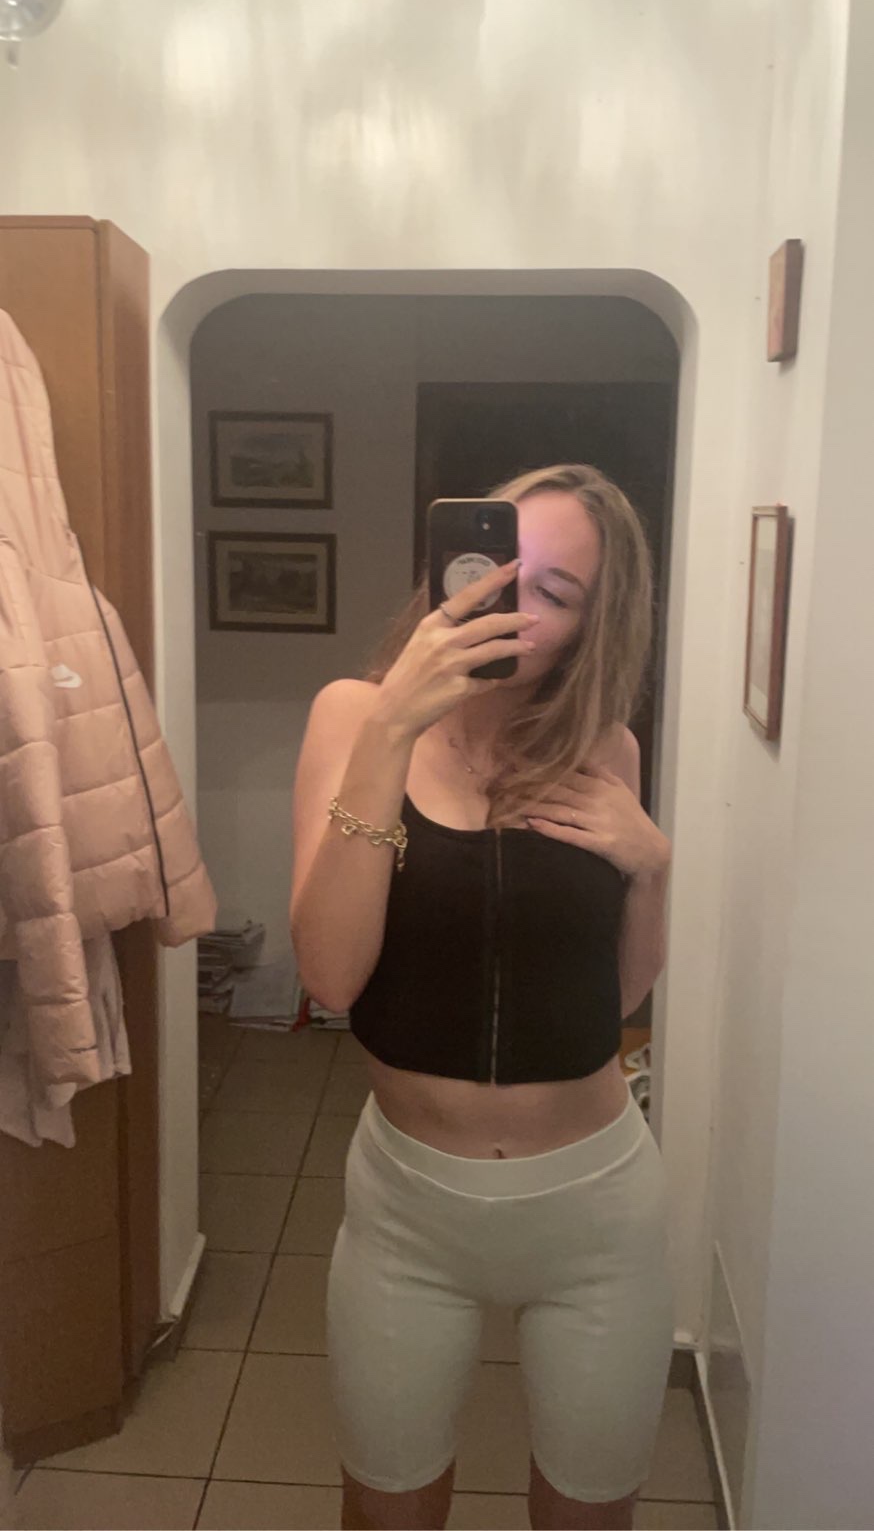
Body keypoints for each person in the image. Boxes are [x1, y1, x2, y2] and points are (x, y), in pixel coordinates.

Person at [290, 464, 675, 1531]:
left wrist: (652, 866)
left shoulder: (606, 749)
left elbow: (617, 993)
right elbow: (329, 975)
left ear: (592, 629)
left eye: (556, 592)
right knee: (388, 1507)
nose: (510, 600)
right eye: (501, 565)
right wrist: (391, 732)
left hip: (596, 1211)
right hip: (406, 1211)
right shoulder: (355, 718)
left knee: (589, 1513)